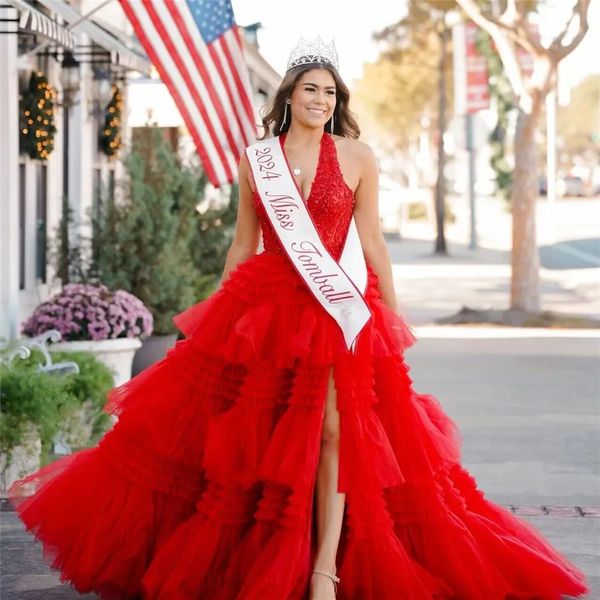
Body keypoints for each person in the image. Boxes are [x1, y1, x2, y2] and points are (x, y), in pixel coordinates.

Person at [8, 37, 589, 600]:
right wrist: (215, 315)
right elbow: (243, 244)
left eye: (331, 93)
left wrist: (393, 306)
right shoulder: (259, 160)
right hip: (265, 307)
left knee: (339, 433)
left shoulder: (358, 156)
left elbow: (373, 240)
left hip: (336, 308)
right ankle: (265, 553)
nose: (322, 101)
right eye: (311, 90)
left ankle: (324, 569)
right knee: (258, 442)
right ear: (289, 95)